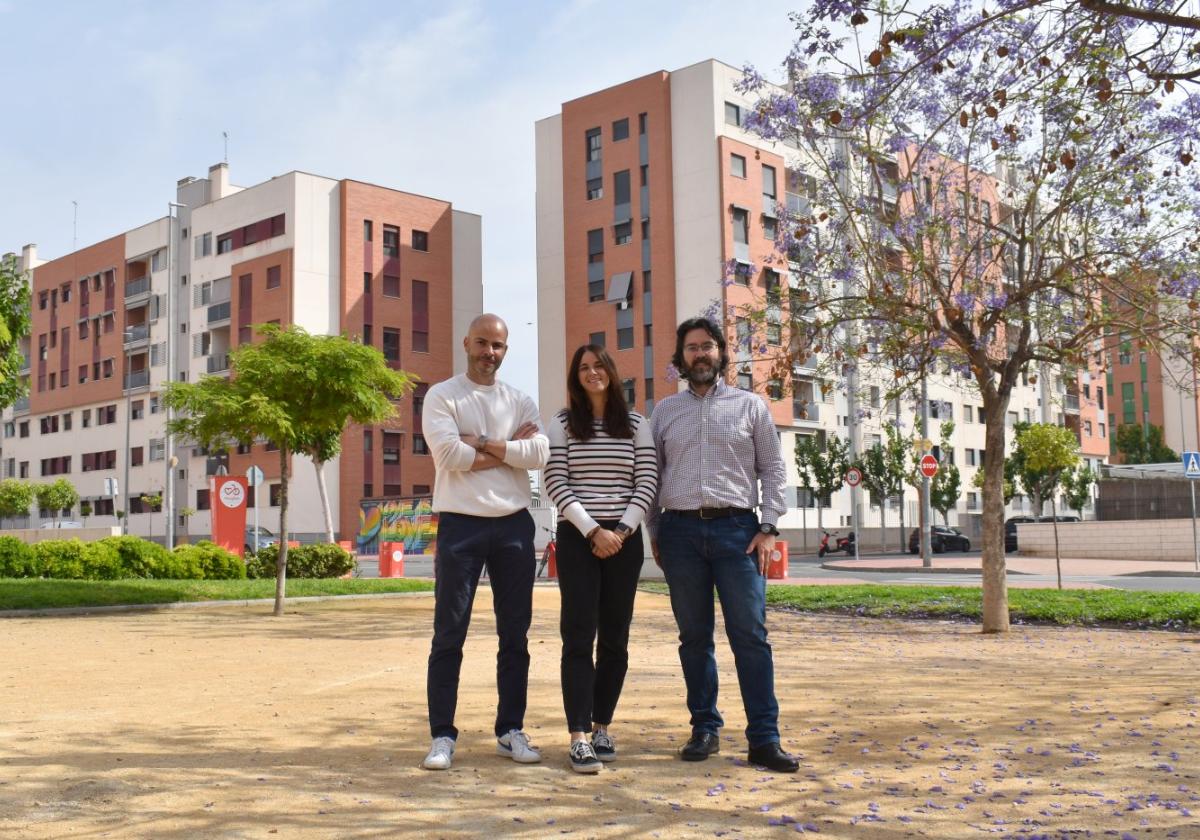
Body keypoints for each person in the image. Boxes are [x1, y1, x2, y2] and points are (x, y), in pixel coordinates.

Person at [646, 316, 798, 773]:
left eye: (707, 346)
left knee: (750, 636)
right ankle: (704, 728)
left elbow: (773, 469)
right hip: (680, 534)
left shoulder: (751, 407)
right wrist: (655, 531)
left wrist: (768, 527)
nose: (700, 354)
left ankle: (764, 739)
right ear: (681, 357)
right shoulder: (664, 414)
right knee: (694, 638)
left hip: (739, 533)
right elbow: (652, 477)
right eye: (691, 347)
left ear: (720, 353)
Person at [420, 313, 550, 771]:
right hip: (461, 526)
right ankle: (442, 735)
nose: (488, 352)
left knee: (514, 634)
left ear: (505, 350)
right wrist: (507, 449)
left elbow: (539, 454)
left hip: (514, 526)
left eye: (496, 345)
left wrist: (487, 444)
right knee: (449, 633)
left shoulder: (519, 399)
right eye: (481, 343)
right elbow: (449, 455)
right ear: (465, 343)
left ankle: (510, 729)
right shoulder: (443, 396)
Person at [543, 344, 658, 773]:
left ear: (611, 372)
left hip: (624, 537)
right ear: (577, 378)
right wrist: (593, 530)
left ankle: (602, 725)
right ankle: (577, 737)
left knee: (615, 638)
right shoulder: (561, 423)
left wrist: (621, 531)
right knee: (577, 635)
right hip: (579, 535)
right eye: (583, 368)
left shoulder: (635, 424)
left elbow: (647, 481)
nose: (592, 373)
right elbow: (556, 480)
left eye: (598, 366)